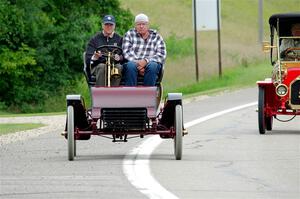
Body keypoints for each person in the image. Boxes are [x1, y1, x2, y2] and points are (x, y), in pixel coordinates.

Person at [122, 13, 167, 86]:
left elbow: (162, 54)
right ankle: (130, 95)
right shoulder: (129, 34)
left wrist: (146, 61)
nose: (141, 26)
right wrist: (139, 65)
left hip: (151, 63)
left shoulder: (156, 36)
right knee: (130, 66)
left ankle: (148, 95)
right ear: (135, 26)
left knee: (153, 66)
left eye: (144, 24)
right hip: (134, 63)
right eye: (138, 24)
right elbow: (127, 53)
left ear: (148, 25)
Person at [85, 15, 123, 86]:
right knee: (102, 67)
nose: (108, 27)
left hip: (114, 65)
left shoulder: (120, 39)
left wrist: (119, 57)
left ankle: (114, 94)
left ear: (114, 26)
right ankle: (101, 94)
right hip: (98, 66)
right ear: (102, 25)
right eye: (106, 24)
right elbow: (88, 58)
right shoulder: (94, 39)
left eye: (111, 25)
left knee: (119, 67)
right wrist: (95, 57)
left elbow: (124, 55)